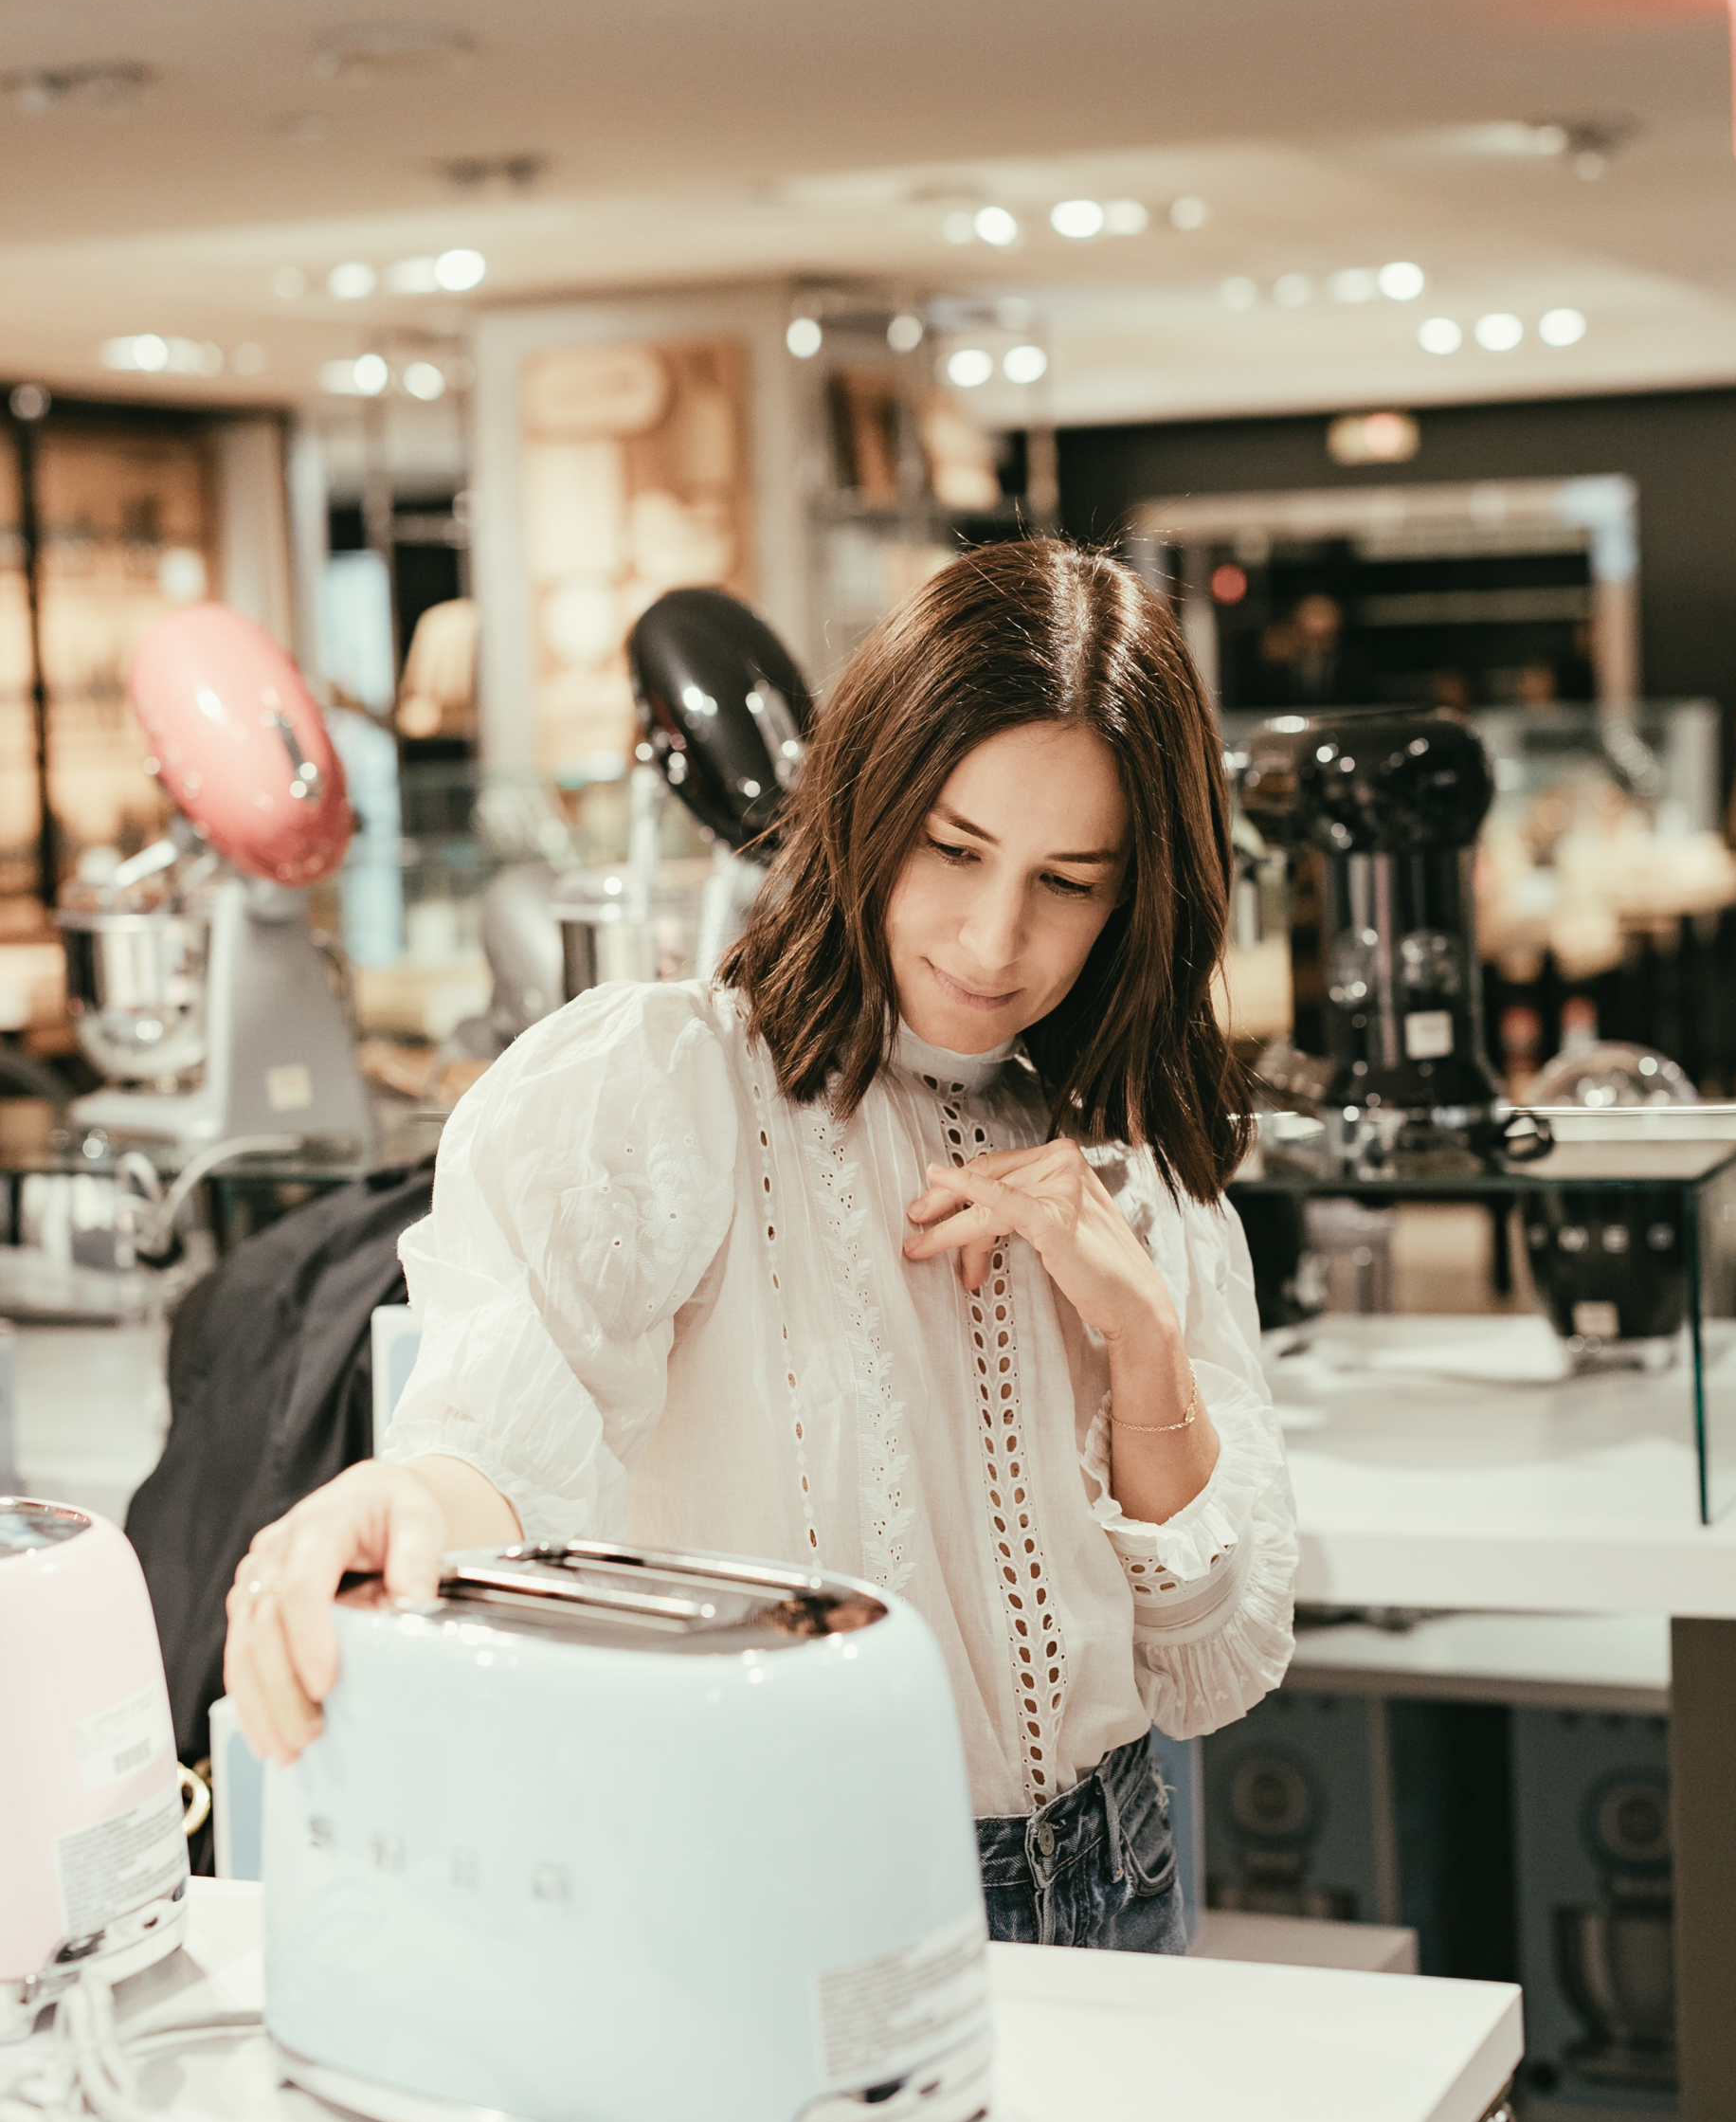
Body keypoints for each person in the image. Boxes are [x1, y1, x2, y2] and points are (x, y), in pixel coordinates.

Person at [224, 542, 1297, 1951]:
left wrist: (1144, 1341)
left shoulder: (1135, 1159)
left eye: (1069, 881)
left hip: (1118, 1869)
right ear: (868, 801)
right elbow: (505, 1434)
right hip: (791, 1893)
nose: (994, 937)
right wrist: (400, 1508)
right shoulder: (671, 1088)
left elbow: (1207, 1663)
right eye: (954, 850)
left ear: (1135, 896)